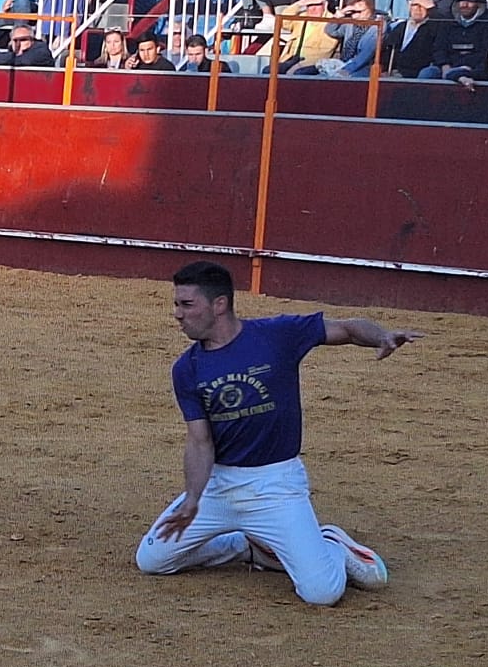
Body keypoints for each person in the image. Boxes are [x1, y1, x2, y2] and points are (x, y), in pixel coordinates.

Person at [136, 260, 416, 606]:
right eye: (176, 304)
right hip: (219, 487)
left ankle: (331, 543)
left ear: (219, 304)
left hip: (275, 486)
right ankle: (248, 546)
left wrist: (382, 336)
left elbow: (346, 329)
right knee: (153, 560)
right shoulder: (186, 368)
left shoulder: (276, 335)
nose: (177, 314)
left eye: (186, 304)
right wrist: (193, 499)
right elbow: (199, 440)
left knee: (322, 593)